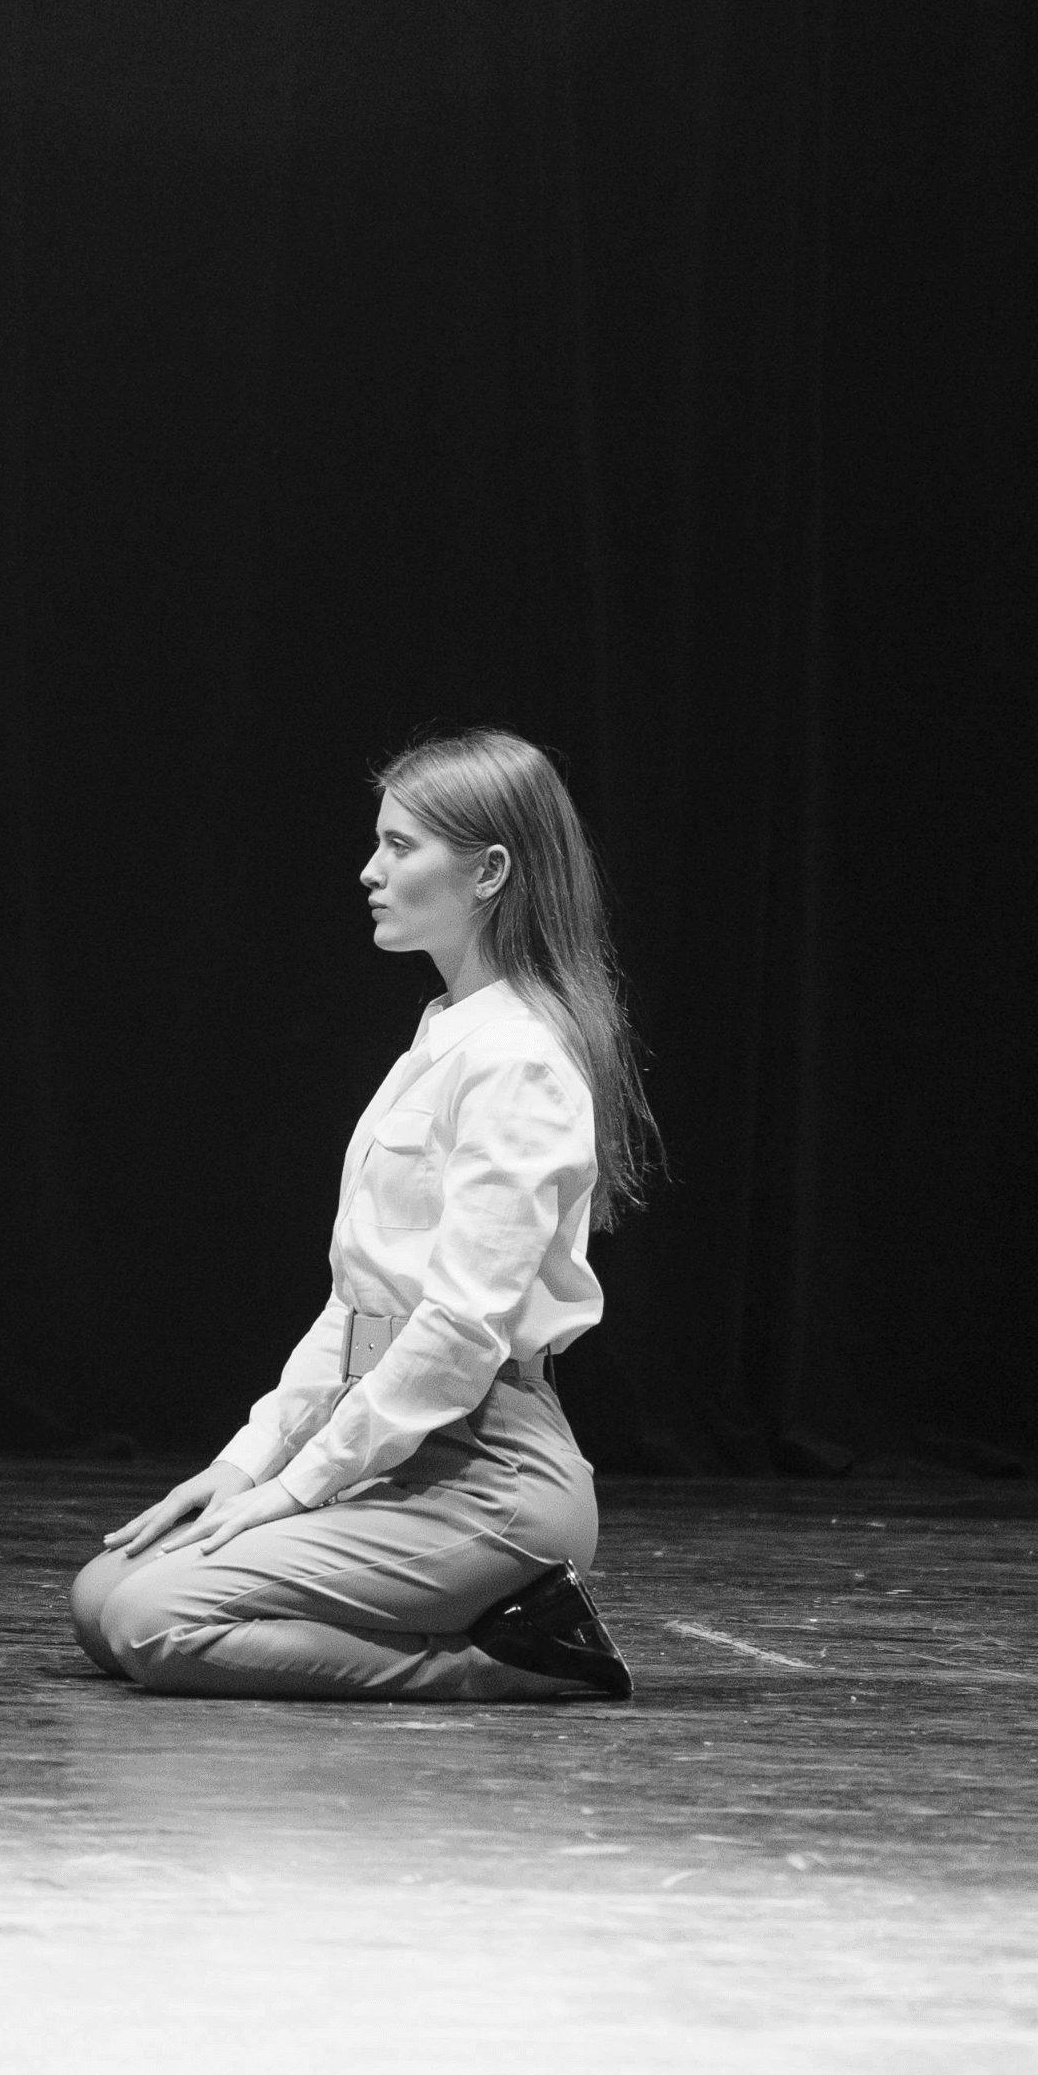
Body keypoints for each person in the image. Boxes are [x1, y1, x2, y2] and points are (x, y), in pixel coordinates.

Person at [70, 727, 653, 1701]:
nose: (368, 870)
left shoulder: (516, 1058)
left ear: (488, 872)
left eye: (398, 845)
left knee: (149, 1618)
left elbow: (458, 1331)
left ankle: (514, 1660)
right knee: (102, 1596)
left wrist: (301, 1485)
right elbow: (357, 1312)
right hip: (398, 1438)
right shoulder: (444, 1035)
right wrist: (248, 1464)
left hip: (491, 1473)